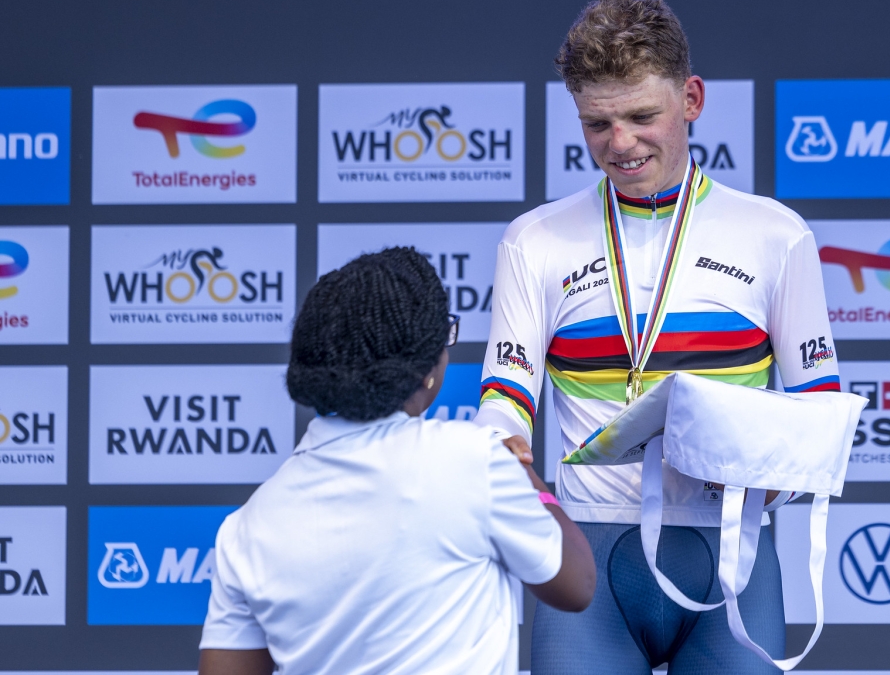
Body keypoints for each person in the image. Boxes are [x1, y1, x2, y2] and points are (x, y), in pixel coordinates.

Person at [474, 0, 841, 674]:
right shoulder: (535, 241)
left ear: (692, 99)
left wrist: (769, 482)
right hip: (588, 558)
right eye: (596, 124)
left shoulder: (775, 235)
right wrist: (510, 462)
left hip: (729, 556)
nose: (620, 144)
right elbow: (505, 398)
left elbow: (820, 409)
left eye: (642, 116)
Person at [198, 247, 595, 675]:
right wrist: (526, 475)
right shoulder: (471, 461)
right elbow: (576, 585)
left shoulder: (247, 526)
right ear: (427, 370)